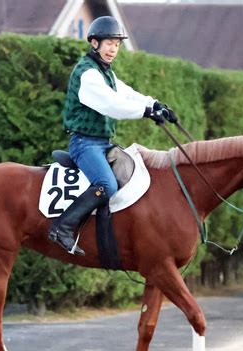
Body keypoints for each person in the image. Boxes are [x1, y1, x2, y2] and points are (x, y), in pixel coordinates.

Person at [48, 16, 177, 256]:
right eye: (109, 43)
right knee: (106, 184)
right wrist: (147, 112)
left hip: (102, 144)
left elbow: (126, 93)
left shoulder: (105, 73)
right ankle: (62, 227)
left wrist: (155, 103)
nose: (113, 49)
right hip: (84, 145)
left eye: (117, 44)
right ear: (94, 43)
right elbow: (112, 105)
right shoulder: (87, 74)